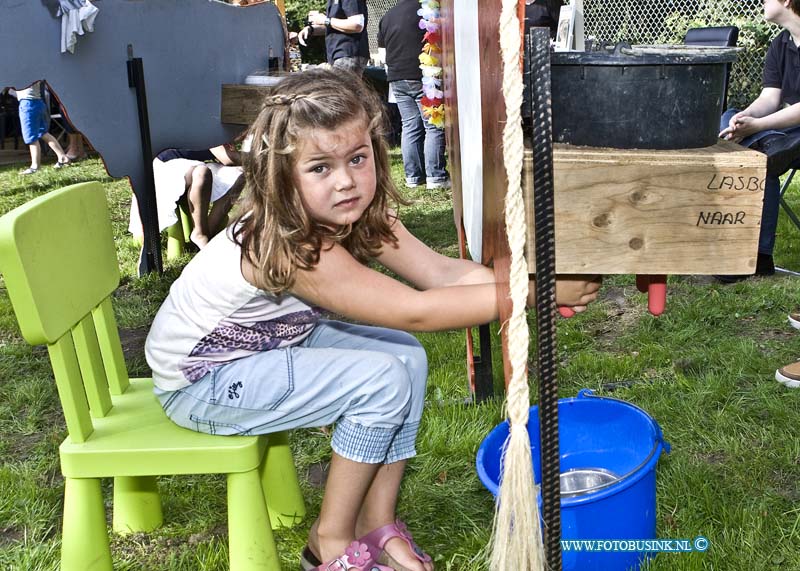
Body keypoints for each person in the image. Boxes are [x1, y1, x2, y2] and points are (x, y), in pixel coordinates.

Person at [144, 69, 600, 571]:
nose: (346, 181)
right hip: (202, 383)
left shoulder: (354, 214)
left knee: (401, 355)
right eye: (320, 167)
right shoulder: (297, 248)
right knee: (380, 378)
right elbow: (416, 310)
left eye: (357, 159)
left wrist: (539, 279)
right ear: (282, 176)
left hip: (269, 348)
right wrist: (530, 294)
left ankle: (374, 521)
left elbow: (440, 275)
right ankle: (330, 543)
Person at [717, 0, 800, 283]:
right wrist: (746, 118)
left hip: (793, 131)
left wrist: (759, 125)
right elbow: (770, 98)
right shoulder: (781, 43)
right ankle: (764, 143)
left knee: (759, 154)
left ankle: (757, 256)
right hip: (784, 134)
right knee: (731, 115)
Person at [378, 0, 449, 191]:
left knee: (410, 126)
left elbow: (382, 54)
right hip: (422, 77)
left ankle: (414, 177)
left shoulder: (387, 16)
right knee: (433, 126)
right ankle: (436, 176)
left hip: (396, 77)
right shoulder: (427, 10)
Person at [128, 144, 244, 249]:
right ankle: (200, 233)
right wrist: (259, 158)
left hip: (199, 163)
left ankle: (208, 231)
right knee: (201, 172)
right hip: (168, 165)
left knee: (239, 174)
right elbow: (227, 157)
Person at [2, 80, 70, 175]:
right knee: (42, 133)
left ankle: (35, 166)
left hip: (28, 104)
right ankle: (63, 157)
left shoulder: (20, 73)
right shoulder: (35, 70)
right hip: (39, 103)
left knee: (31, 138)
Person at [297, 0, 368, 75]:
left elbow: (357, 24)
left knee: (340, 86)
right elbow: (334, 26)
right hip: (338, 56)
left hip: (348, 55)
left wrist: (325, 20)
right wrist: (311, 29)